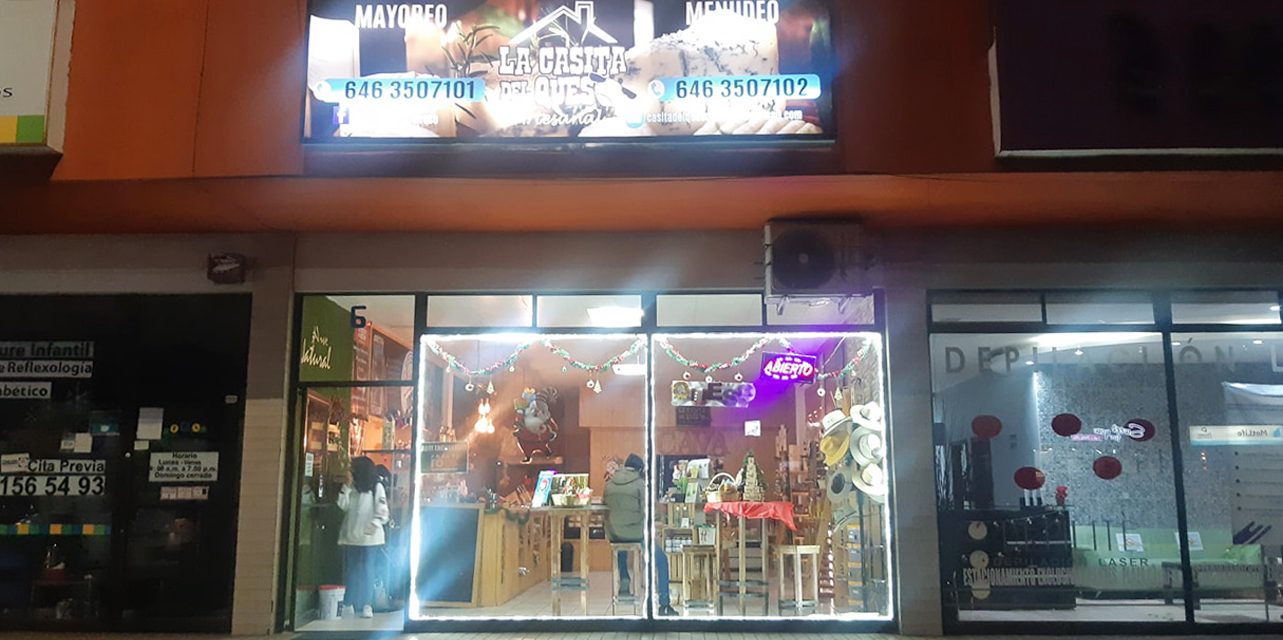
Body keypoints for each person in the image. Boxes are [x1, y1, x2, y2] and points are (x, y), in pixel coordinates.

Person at [603, 453, 675, 616]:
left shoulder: (609, 485)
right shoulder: (641, 485)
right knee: (662, 560)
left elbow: (606, 510)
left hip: (614, 534)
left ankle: (624, 576)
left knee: (622, 544)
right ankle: (664, 604)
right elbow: (648, 512)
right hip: (636, 534)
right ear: (640, 470)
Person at [337, 456, 389, 619]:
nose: (350, 471)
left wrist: (374, 524)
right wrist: (346, 487)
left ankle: (367, 604)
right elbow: (342, 505)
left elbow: (382, 510)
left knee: (367, 570)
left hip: (370, 538)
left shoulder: (376, 487)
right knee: (351, 570)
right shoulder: (352, 487)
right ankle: (348, 604)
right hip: (352, 536)